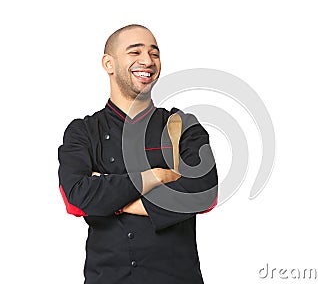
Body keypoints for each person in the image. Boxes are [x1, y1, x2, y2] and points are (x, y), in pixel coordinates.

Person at [58, 24, 218, 284]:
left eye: (154, 54)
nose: (147, 61)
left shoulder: (182, 125)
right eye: (135, 52)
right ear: (108, 63)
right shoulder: (83, 131)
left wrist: (109, 198)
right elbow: (75, 199)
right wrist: (152, 177)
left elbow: (204, 194)